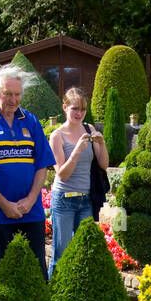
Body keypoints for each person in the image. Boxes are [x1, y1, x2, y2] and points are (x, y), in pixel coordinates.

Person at [0, 66, 54, 280]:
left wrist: (30, 199)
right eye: (8, 94)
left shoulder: (31, 121)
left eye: (17, 94)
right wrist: (4, 204)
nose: (13, 100)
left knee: (36, 274)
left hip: (31, 212)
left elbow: (41, 164)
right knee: (1, 275)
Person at [48, 87, 108, 277]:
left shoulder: (89, 129)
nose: (79, 113)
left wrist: (102, 143)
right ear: (65, 107)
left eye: (82, 109)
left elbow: (104, 164)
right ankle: (54, 297)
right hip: (64, 200)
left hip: (85, 201)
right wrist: (76, 152)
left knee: (84, 252)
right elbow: (62, 174)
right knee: (61, 255)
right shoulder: (57, 136)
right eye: (75, 108)